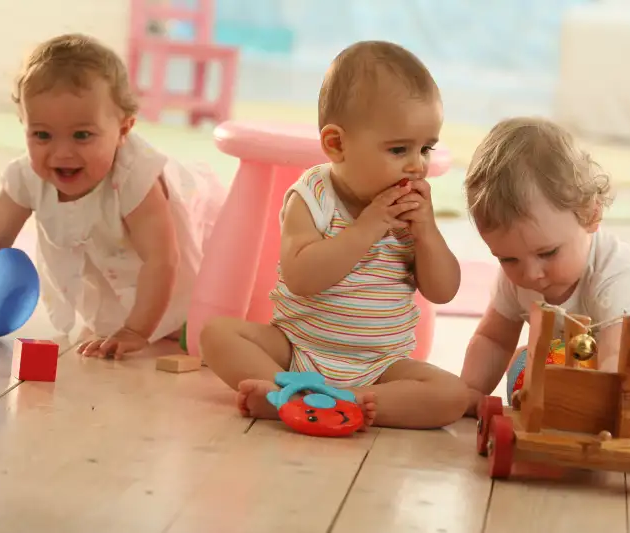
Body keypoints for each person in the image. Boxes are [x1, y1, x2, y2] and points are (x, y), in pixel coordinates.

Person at [200, 41, 470, 430]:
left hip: (381, 366)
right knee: (219, 335)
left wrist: (427, 235)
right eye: (398, 149)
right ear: (336, 144)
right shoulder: (313, 195)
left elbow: (443, 290)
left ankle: (346, 402)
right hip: (296, 350)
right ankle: (290, 391)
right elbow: (302, 277)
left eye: (425, 148)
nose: (416, 165)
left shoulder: (412, 211)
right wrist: (367, 228)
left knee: (452, 396)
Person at [0, 33, 225, 358]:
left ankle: (170, 321)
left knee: (191, 315)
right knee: (110, 316)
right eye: (42, 135)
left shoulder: (134, 177)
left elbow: (162, 259)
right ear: (23, 124)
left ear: (124, 131)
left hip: (181, 247)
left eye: (82, 135)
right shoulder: (27, 176)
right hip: (113, 264)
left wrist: (136, 332)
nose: (62, 153)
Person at [459, 116, 630, 437]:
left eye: (548, 253)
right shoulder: (516, 279)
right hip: (613, 372)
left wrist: (602, 408)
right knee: (526, 360)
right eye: (507, 258)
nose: (531, 274)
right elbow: (493, 339)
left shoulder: (617, 272)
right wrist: (470, 391)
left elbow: (616, 357)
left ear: (590, 215)